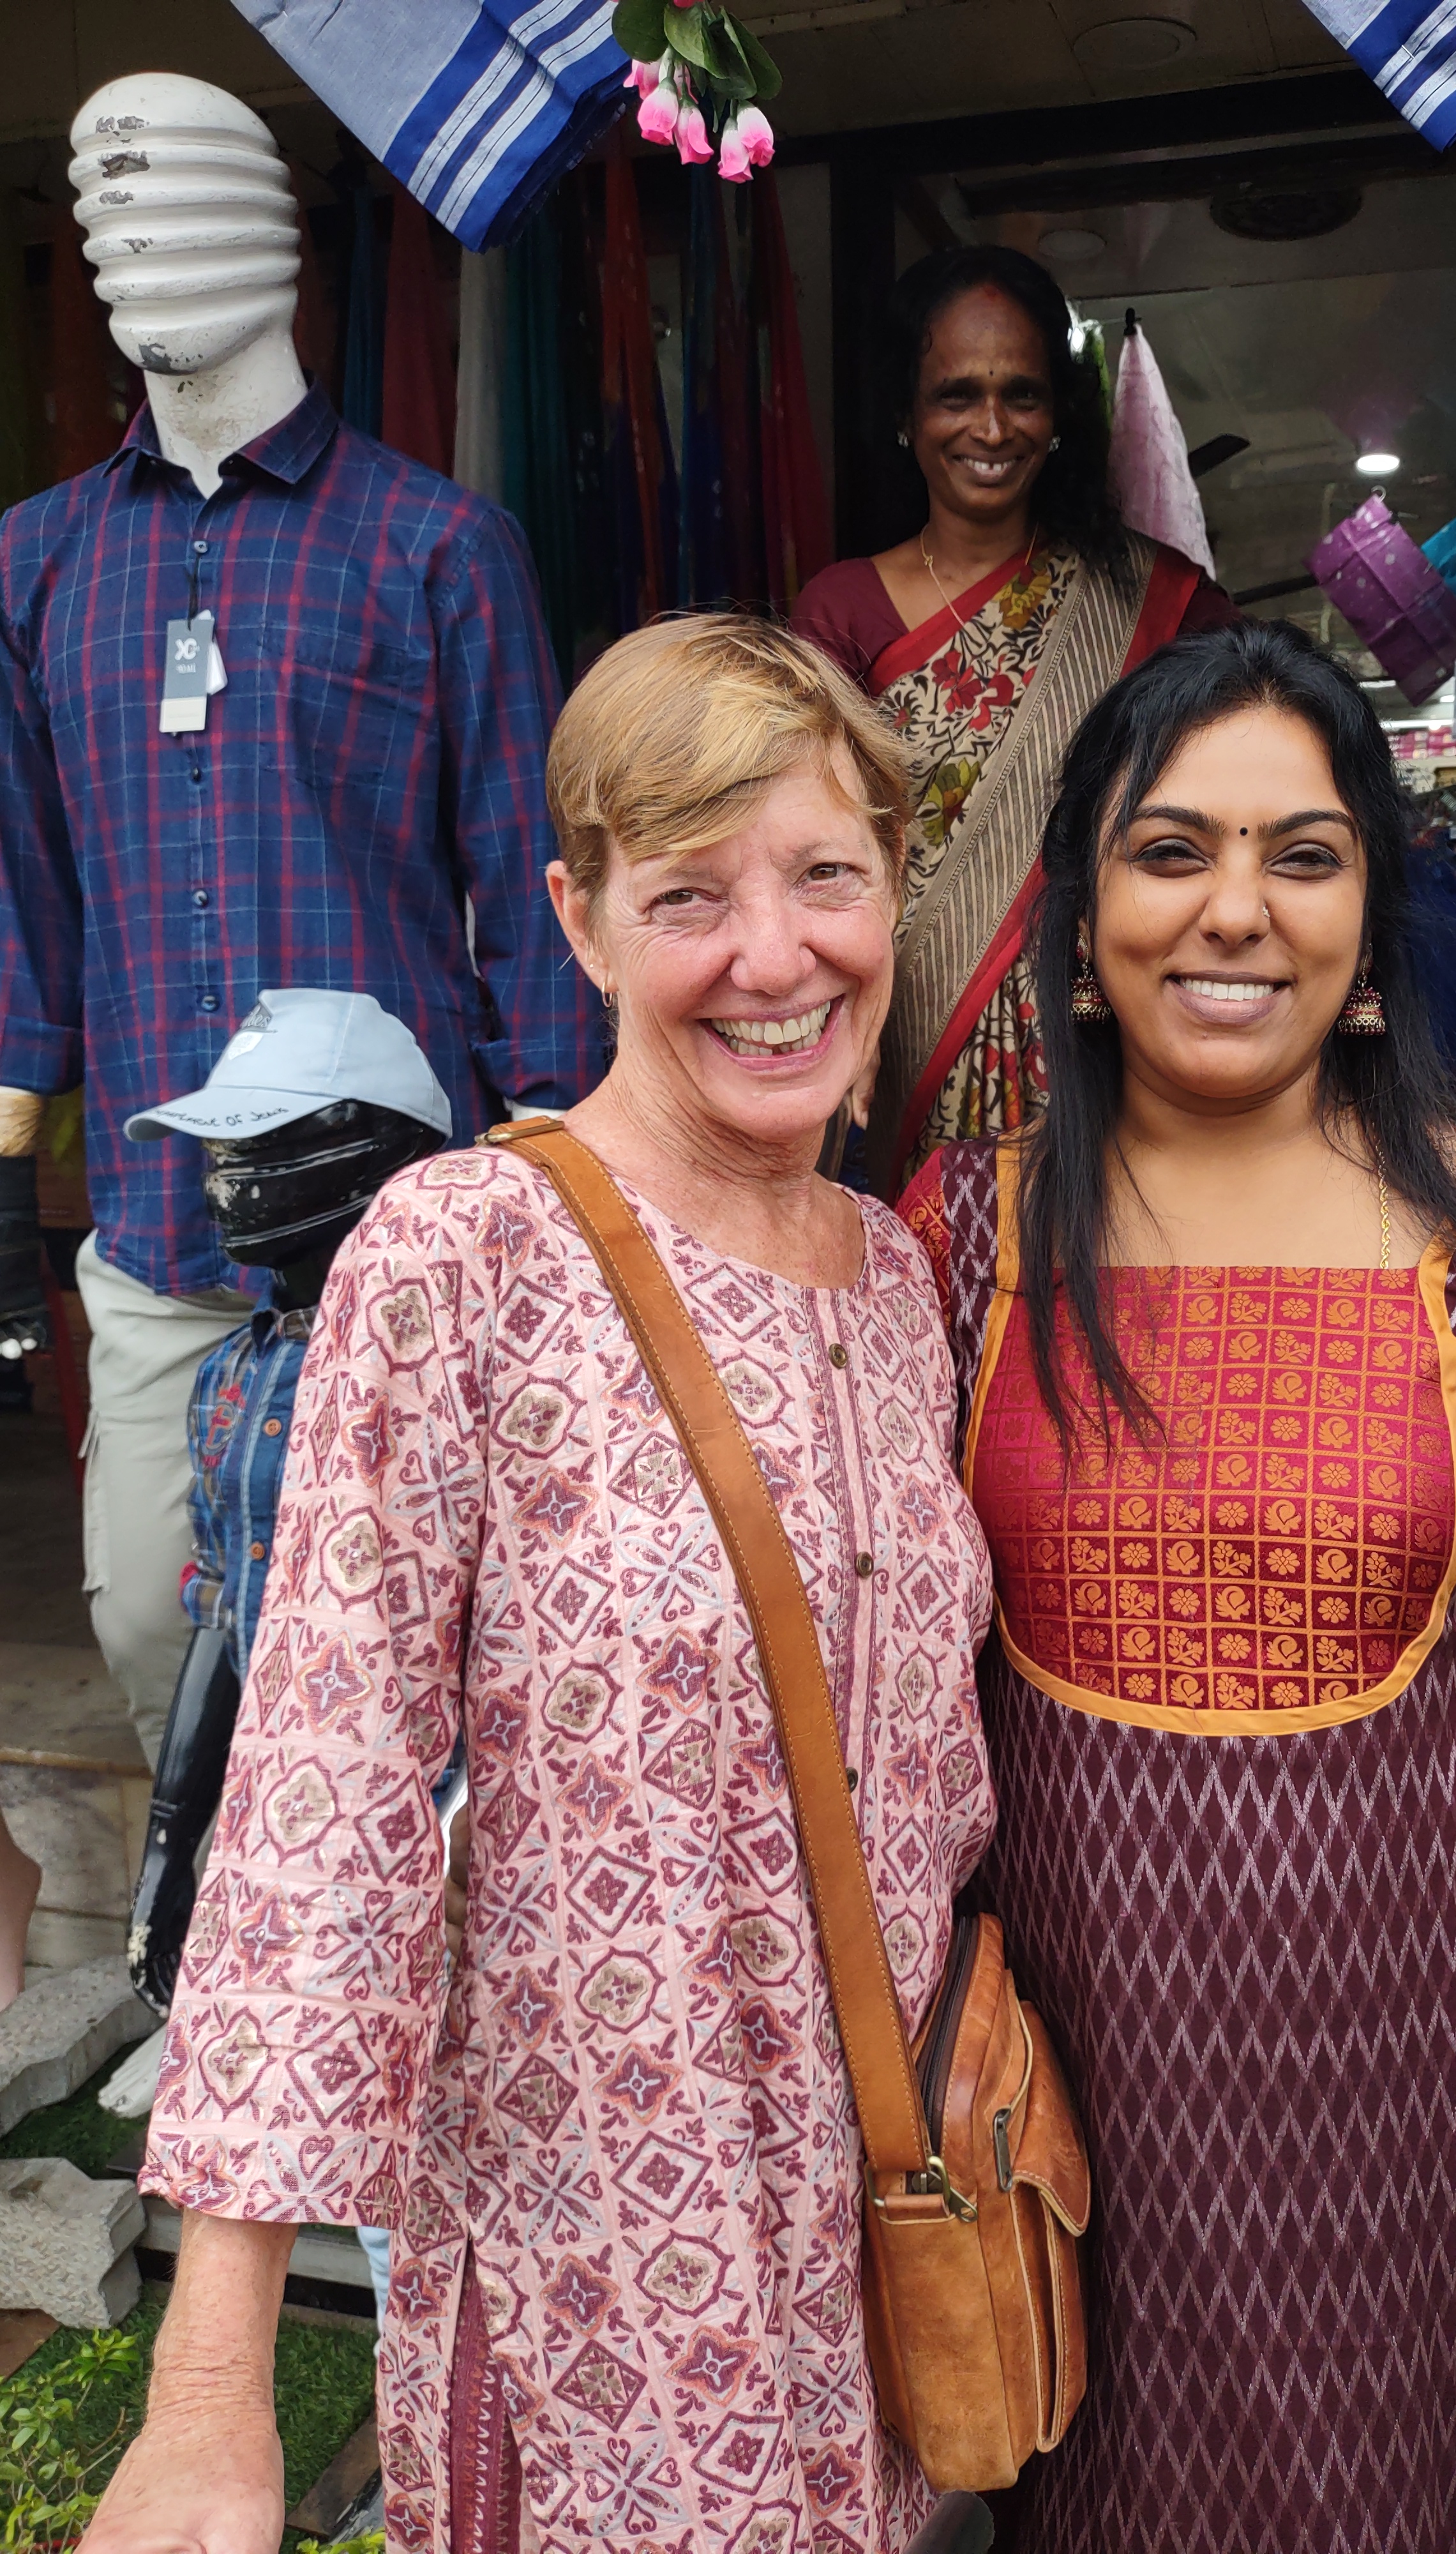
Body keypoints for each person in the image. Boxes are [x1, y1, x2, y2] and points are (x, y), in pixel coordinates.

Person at [84, 619, 995, 2554]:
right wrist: (212, 2398)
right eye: (691, 897)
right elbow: (321, 1806)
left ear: (897, 894)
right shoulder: (466, 1252)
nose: (775, 957)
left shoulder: (900, 1282)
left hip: (879, 2275)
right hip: (596, 2321)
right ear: (579, 923)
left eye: (826, 876)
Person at [901, 620, 1456, 2554]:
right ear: (1081, 911)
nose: (1235, 912)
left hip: (1406, 2077)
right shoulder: (962, 1235)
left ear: (1367, 919)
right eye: (1169, 849)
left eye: (1302, 855)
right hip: (1081, 2092)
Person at [0, 75, 599, 1771]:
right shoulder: (35, 564)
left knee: (405, 1621)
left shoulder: (439, 546)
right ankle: (222, 1900)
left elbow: (525, 870)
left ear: (274, 248)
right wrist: (17, 1096)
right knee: (148, 1611)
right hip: (155, 1221)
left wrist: (554, 1140)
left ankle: (373, 1907)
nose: (144, 252)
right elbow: (24, 874)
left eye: (175, 213)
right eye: (113, 223)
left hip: (395, 1218)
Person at [119, 990, 455, 2319]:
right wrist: (171, 1846)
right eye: (217, 1152)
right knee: (363, 2157)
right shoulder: (236, 1374)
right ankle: (410, 2399)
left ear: (388, 1154)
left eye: (266, 1149)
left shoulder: (460, 1356)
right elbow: (224, 1613)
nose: (226, 1184)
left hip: (442, 1829)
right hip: (299, 1841)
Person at [792, 245, 1235, 1196]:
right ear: (907, 415)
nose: (991, 428)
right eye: (956, 395)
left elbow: (1246, 799)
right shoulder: (843, 612)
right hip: (909, 1038)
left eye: (1021, 395)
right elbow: (803, 847)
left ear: (1061, 414)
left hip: (1110, 1041)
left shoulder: (1154, 601)